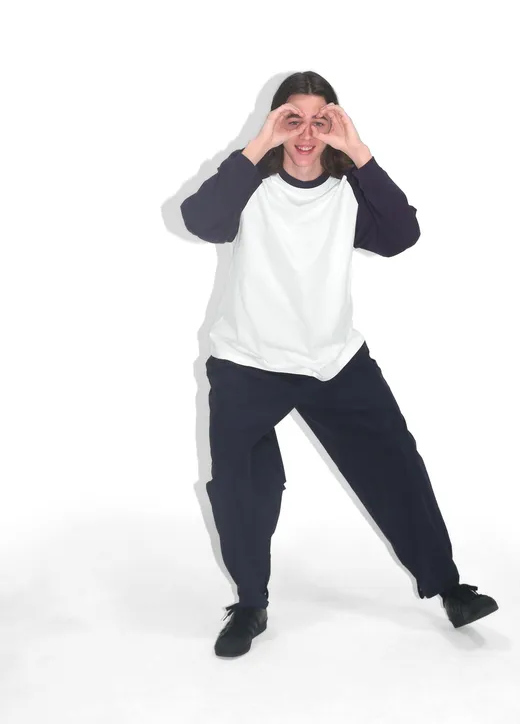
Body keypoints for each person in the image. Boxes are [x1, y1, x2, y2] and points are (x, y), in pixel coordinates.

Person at [180, 70, 498, 658]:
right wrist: (258, 144)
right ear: (275, 125)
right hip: (248, 361)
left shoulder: (350, 191)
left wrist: (361, 153)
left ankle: (450, 589)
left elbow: (401, 235)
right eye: (292, 120)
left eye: (320, 121)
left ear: (337, 125)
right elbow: (201, 221)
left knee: (396, 467)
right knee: (243, 486)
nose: (306, 134)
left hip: (334, 361)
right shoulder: (249, 185)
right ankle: (250, 605)